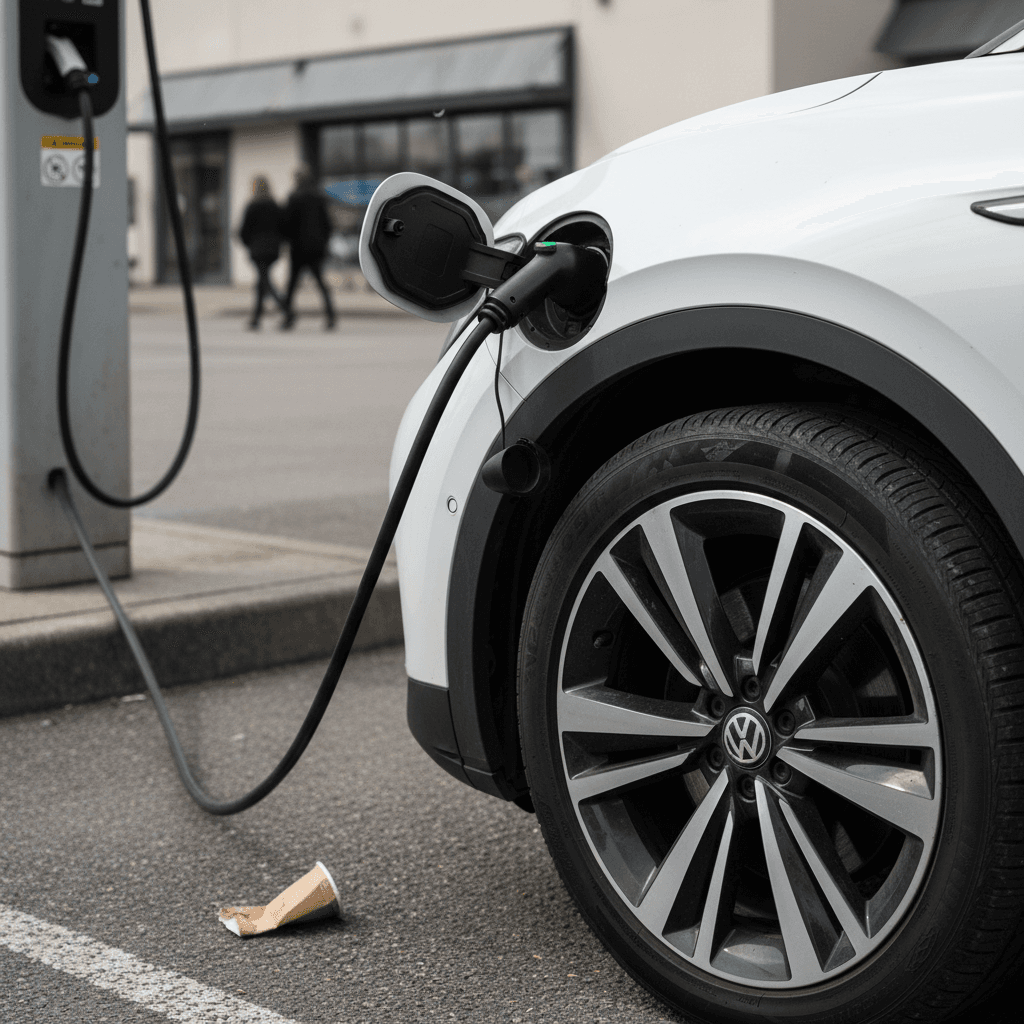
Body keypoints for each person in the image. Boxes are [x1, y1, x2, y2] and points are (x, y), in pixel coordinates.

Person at [280, 167, 335, 330]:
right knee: (320, 282)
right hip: (316, 246)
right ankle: (331, 316)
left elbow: (287, 223)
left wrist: (286, 241)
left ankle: (288, 317)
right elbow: (327, 224)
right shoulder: (319, 197)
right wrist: (324, 242)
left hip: (298, 247)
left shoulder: (294, 197)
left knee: (291, 284)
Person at [238, 176, 286, 330]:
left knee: (265, 281)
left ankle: (285, 308)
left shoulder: (252, 206)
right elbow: (283, 227)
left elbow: (244, 230)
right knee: (262, 281)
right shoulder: (274, 205)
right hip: (272, 249)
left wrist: (248, 243)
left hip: (258, 250)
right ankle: (256, 318)